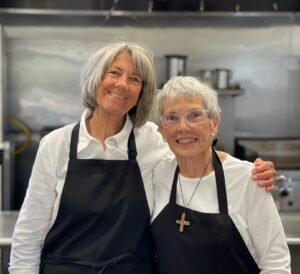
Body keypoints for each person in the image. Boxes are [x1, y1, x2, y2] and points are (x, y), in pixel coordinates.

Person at [9, 41, 276, 274]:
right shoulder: (56, 145)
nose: (123, 84)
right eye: (114, 73)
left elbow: (191, 145)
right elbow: (29, 234)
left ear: (140, 94)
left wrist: (250, 170)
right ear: (95, 79)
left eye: (135, 79)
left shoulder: (151, 140)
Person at [151, 76, 290, 274]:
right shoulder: (156, 173)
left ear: (213, 124)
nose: (183, 127)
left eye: (194, 115)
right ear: (163, 130)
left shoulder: (247, 179)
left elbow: (276, 265)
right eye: (172, 118)